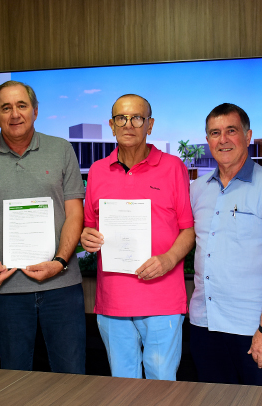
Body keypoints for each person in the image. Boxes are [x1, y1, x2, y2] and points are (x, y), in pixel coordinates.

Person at [0, 80, 86, 373]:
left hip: (62, 286)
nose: (14, 114)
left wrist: (58, 262)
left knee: (72, 376)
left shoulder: (61, 149)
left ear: (35, 110)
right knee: (14, 379)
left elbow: (74, 214)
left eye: (21, 105)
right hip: (7, 290)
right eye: (6, 107)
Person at [81, 94, 194, 380]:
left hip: (162, 300)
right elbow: (89, 229)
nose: (128, 124)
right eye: (121, 117)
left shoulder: (172, 168)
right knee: (123, 390)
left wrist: (168, 260)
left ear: (150, 124)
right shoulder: (96, 171)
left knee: (162, 389)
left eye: (137, 118)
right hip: (113, 302)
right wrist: (87, 239)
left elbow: (188, 229)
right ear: (111, 124)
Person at [189, 103, 262, 386]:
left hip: (253, 331)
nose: (223, 139)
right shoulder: (198, 189)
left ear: (248, 136)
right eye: (214, 133)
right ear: (208, 140)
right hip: (204, 325)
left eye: (231, 131)